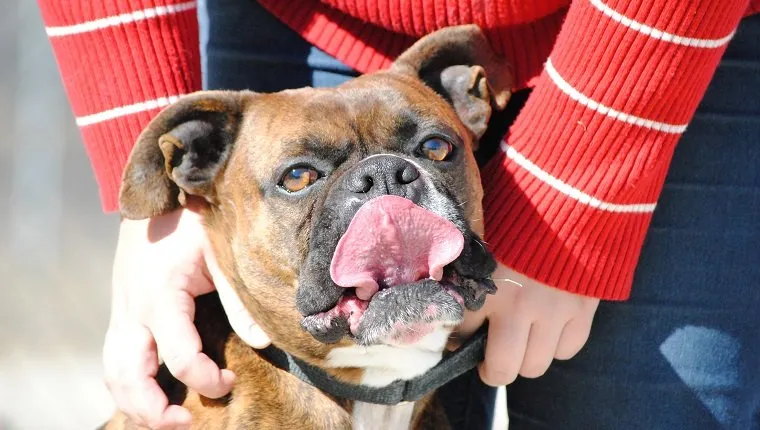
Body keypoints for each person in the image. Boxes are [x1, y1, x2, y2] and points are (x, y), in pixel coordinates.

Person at [38, 0, 760, 428]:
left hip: (667, 33)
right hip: (304, 18)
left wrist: (577, 196)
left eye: (433, 150)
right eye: (300, 175)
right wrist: (156, 198)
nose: (386, 190)